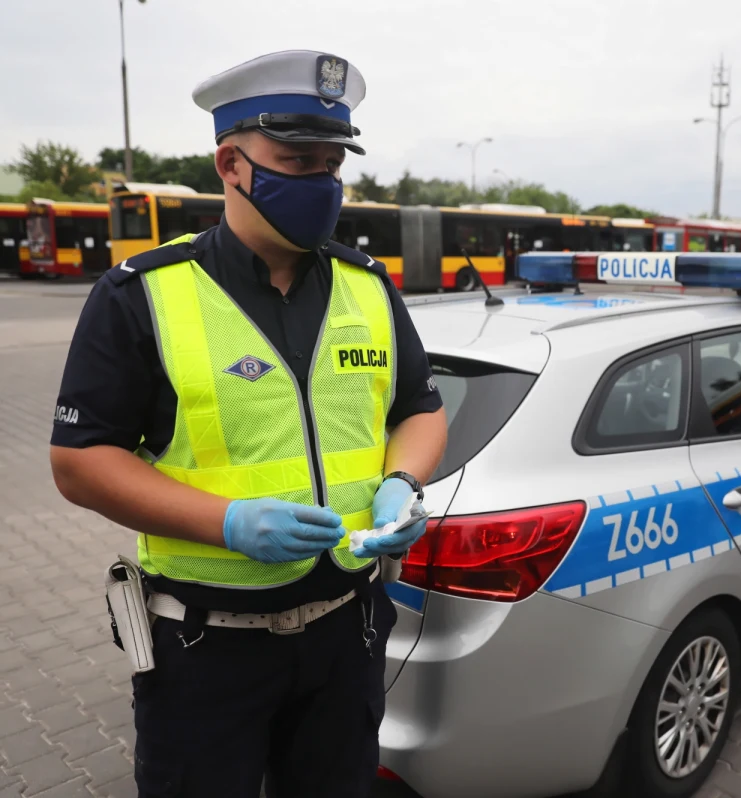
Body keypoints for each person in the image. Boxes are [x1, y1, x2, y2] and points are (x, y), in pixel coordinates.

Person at [49, 50, 448, 798]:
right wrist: (228, 523)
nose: (322, 183)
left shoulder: (367, 288)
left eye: (332, 164)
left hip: (348, 632)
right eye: (297, 161)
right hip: (205, 647)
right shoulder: (141, 295)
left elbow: (419, 409)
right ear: (230, 165)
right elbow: (80, 461)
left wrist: (403, 482)